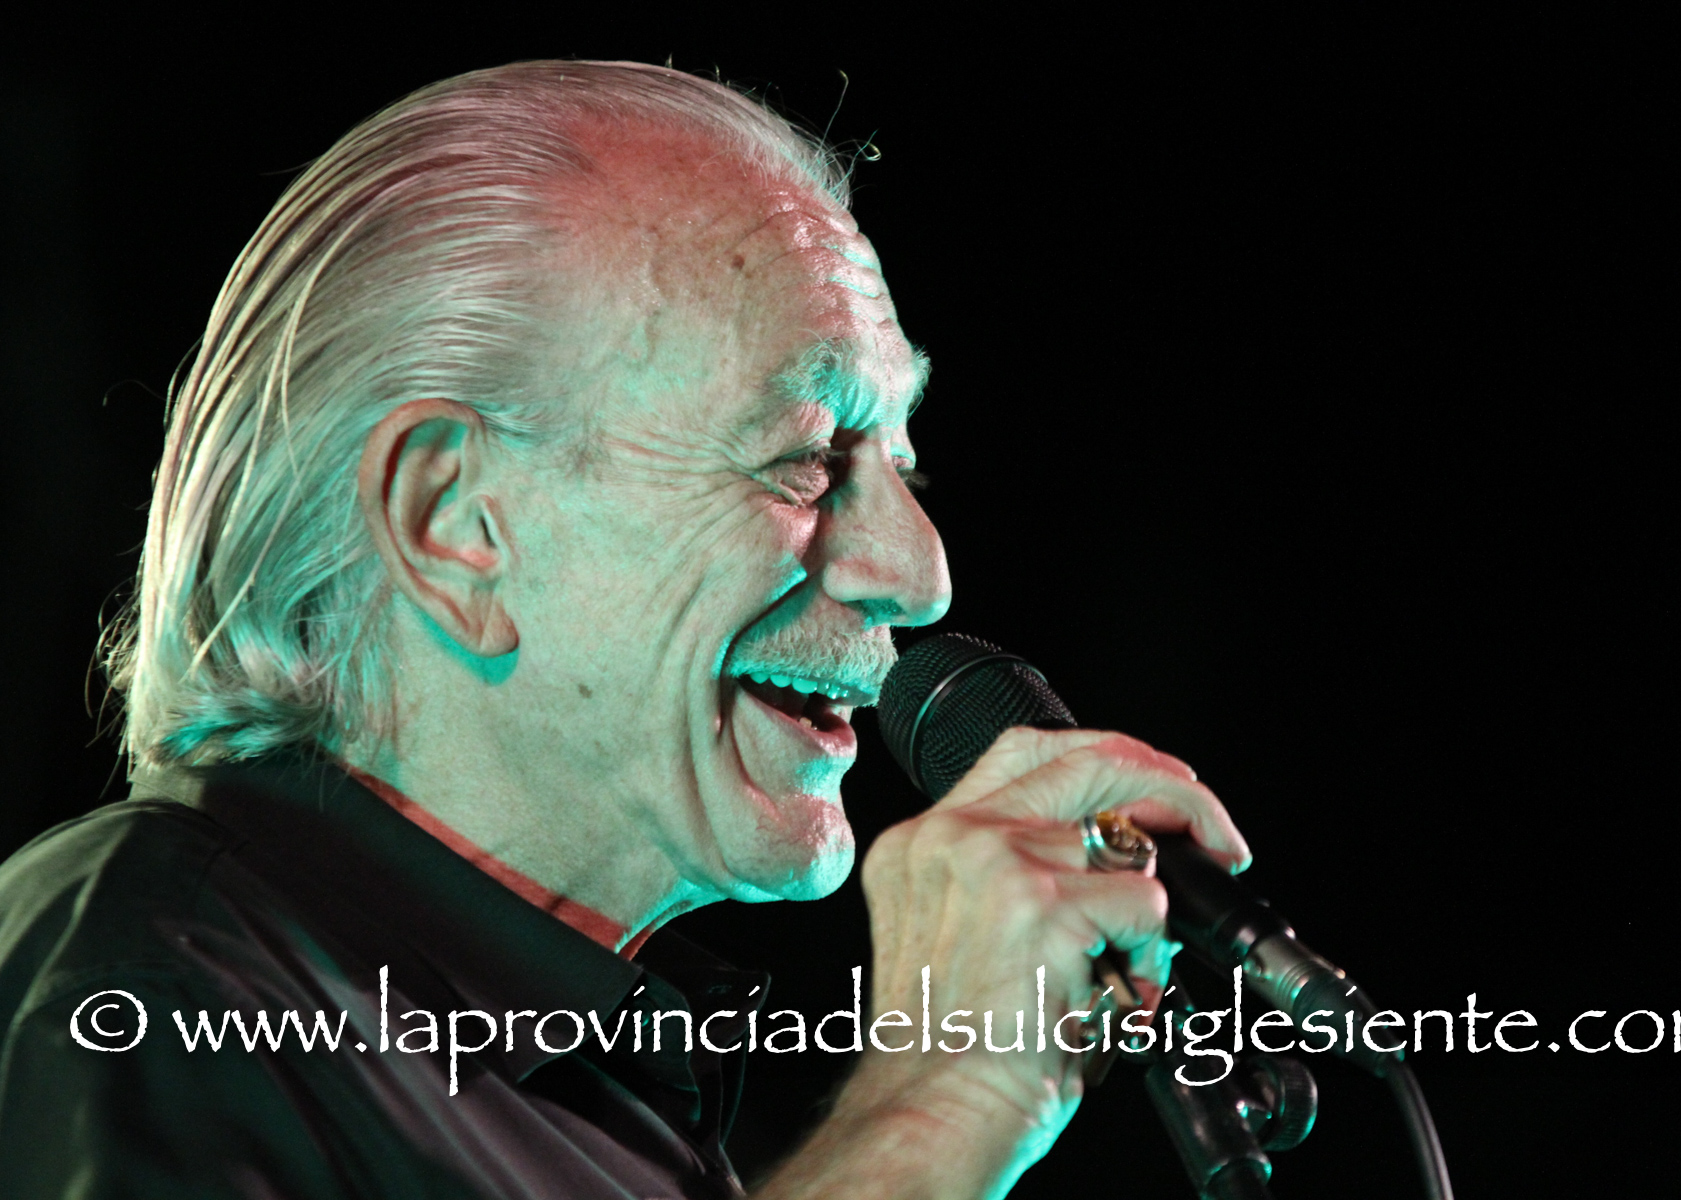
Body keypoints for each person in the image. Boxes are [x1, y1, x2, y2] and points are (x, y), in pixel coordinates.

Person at [0, 61, 1249, 1199]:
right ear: (454, 522)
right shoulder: (145, 980)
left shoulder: (607, 1103)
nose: (919, 576)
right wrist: (934, 1111)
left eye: (903, 468)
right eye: (809, 458)